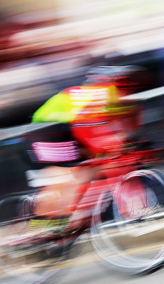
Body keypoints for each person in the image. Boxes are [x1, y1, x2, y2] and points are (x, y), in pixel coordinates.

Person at [29, 65, 148, 224]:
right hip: (49, 128)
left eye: (130, 86)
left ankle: (77, 213)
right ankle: (45, 221)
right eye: (121, 85)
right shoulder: (97, 96)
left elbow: (130, 135)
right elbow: (89, 133)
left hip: (73, 127)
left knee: (103, 162)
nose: (127, 90)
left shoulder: (130, 102)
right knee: (75, 171)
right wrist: (112, 148)